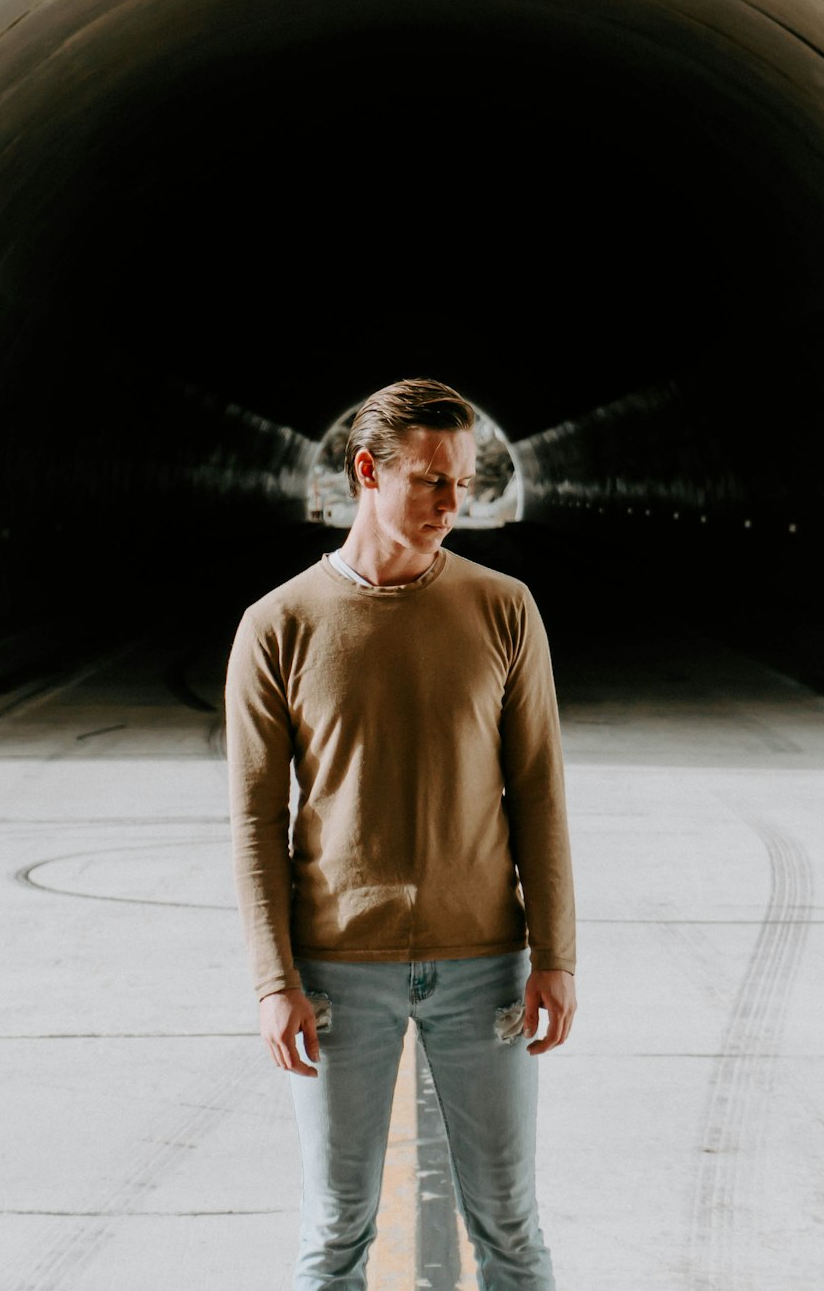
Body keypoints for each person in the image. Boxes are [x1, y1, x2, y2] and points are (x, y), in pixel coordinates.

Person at [225, 377, 577, 1291]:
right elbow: (256, 822)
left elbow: (539, 792)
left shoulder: (505, 609)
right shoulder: (278, 626)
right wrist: (274, 980)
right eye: (428, 480)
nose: (451, 503)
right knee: (335, 1231)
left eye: (461, 482)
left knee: (510, 1225)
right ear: (366, 472)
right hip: (338, 967)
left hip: (485, 964)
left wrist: (557, 956)